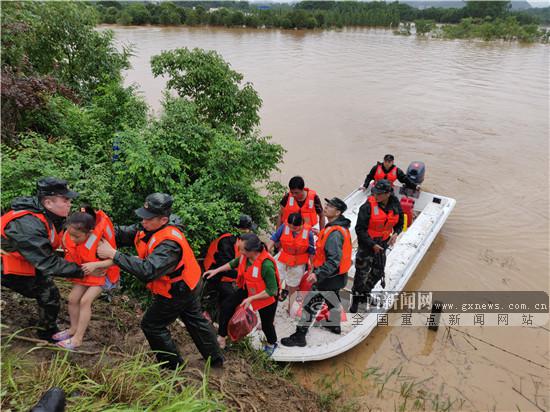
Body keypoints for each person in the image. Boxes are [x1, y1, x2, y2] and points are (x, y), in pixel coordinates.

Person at [96, 193, 223, 369]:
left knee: (152, 325)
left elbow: (148, 270)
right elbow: (122, 234)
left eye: (148, 218)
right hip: (188, 282)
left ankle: (172, 368)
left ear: (163, 220)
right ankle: (216, 360)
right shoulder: (148, 227)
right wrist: (98, 229)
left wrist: (113, 254)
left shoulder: (169, 244)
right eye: (142, 216)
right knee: (194, 320)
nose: (143, 221)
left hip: (178, 289)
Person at [0, 177, 88, 341]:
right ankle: (47, 333)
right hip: (5, 264)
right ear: (48, 203)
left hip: (25, 260)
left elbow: (74, 231)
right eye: (66, 200)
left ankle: (47, 329)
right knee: (48, 293)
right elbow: (47, 262)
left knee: (49, 293)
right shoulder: (28, 225)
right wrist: (82, 271)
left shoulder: (50, 215)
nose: (70, 203)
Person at [281, 197, 352, 347]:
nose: (325, 207)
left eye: (330, 206)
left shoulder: (334, 233)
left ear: (338, 212)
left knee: (310, 304)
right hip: (339, 276)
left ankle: (300, 336)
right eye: (326, 204)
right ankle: (334, 325)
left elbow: (333, 260)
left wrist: (317, 274)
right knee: (332, 297)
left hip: (327, 276)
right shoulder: (337, 228)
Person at [204, 233, 280, 356]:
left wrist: (251, 298)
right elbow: (233, 263)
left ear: (252, 251)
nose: (240, 251)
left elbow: (272, 290)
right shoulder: (245, 257)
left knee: (267, 324)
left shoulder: (266, 264)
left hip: (266, 296)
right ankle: (222, 336)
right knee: (227, 305)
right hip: (249, 287)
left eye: (242, 250)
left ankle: (272, 343)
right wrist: (216, 270)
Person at [54, 207, 120, 349]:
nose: (72, 238)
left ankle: (78, 338)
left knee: (85, 301)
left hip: (104, 274)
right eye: (70, 234)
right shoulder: (70, 235)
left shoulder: (100, 242)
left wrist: (96, 265)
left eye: (76, 237)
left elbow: (114, 260)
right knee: (72, 298)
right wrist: (89, 268)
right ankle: (72, 329)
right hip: (87, 273)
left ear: (89, 233)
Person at [350, 179, 404, 313]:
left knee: (378, 271)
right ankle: (356, 299)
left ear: (388, 194)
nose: (376, 196)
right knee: (361, 273)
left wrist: (396, 233)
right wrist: (372, 244)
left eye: (379, 194)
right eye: (375, 193)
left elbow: (400, 223)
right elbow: (360, 229)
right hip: (367, 245)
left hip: (383, 244)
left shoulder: (396, 205)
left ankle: (365, 293)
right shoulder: (367, 207)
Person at [202, 215, 255, 320]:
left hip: (229, 274)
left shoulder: (239, 240)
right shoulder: (227, 242)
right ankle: (215, 314)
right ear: (243, 230)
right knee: (231, 295)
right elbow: (223, 267)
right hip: (215, 274)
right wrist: (241, 276)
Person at [266, 213, 315, 314]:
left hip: (298, 261)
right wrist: (266, 254)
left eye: (295, 228)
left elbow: (311, 252)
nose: (292, 229)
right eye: (290, 227)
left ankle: (290, 307)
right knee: (274, 282)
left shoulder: (308, 233)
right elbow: (273, 239)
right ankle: (271, 308)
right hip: (283, 257)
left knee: (293, 286)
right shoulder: (284, 227)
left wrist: (312, 268)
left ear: (302, 224)